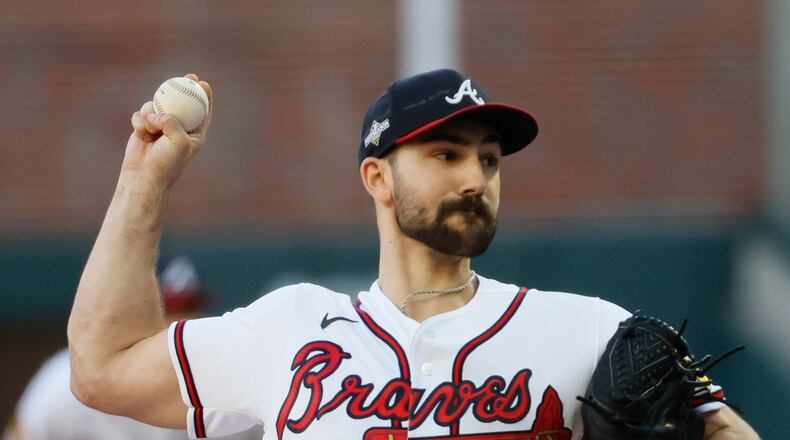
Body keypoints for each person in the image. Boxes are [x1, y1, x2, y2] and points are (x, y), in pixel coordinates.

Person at [67, 69, 759, 439]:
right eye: (445, 154)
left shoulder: (593, 333)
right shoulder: (286, 334)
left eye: (489, 160)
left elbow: (726, 431)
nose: (475, 178)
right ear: (377, 178)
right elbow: (101, 370)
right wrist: (144, 183)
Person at [5, 257, 262, 440]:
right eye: (168, 311)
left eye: (191, 309)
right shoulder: (68, 383)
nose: (183, 324)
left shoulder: (235, 388)